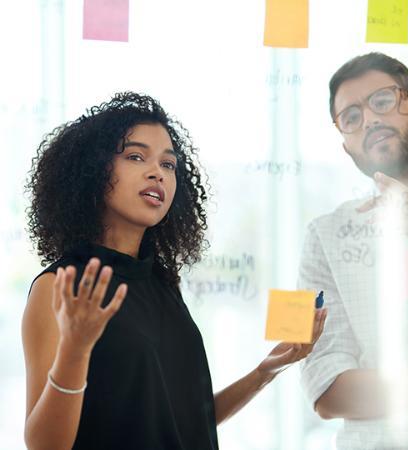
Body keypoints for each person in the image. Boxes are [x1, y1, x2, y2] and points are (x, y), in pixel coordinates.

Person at [22, 92, 326, 450]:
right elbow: (43, 444)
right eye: (136, 157)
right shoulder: (57, 286)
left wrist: (265, 372)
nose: (157, 173)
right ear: (90, 171)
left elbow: (184, 423)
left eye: (168, 165)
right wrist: (75, 350)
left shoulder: (163, 284)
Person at [298, 53, 408, 449]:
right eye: (351, 116)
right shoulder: (324, 237)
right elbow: (327, 392)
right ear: (346, 147)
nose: (369, 119)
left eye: (383, 101)